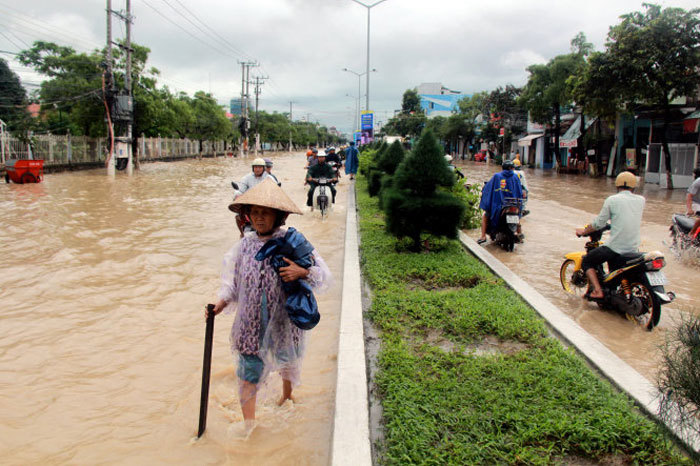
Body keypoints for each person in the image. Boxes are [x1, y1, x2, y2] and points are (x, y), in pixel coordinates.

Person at [208, 179, 333, 437]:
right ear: (247, 216)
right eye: (254, 212)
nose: (259, 217)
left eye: (265, 212)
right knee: (247, 372)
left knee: (288, 362)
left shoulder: (293, 243)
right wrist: (220, 303)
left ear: (279, 215)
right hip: (251, 325)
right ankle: (250, 427)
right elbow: (232, 283)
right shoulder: (244, 246)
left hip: (282, 323)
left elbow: (324, 276)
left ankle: (286, 397)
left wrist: (303, 271)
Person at [575, 171, 644, 300]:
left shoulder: (612, 200)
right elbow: (627, 217)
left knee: (587, 261)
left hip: (615, 247)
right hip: (633, 248)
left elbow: (598, 224)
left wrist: (583, 231)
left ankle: (598, 290)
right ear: (634, 186)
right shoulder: (641, 200)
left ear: (617, 186)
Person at [477, 160, 524, 244]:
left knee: (485, 216)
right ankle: (519, 234)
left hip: (499, 206)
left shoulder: (497, 176)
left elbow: (488, 188)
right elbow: (519, 191)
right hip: (514, 204)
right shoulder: (515, 177)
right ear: (511, 168)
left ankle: (483, 236)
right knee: (518, 217)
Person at [685, 168, 700, 238]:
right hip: (695, 203)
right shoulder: (698, 182)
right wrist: (689, 209)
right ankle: (691, 233)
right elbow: (689, 195)